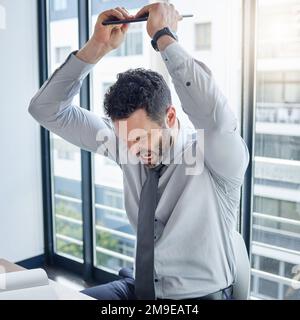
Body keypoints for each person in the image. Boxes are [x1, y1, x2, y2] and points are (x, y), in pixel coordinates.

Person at [28, 2, 249, 300]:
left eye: (140, 138)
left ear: (170, 117)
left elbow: (216, 118)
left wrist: (165, 38)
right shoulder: (125, 143)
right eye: (125, 139)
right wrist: (96, 47)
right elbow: (45, 110)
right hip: (139, 288)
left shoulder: (215, 158)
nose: (131, 149)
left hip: (196, 297)